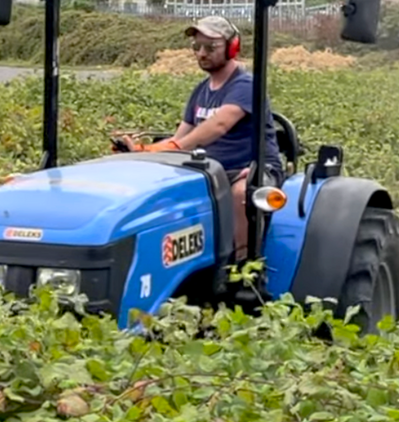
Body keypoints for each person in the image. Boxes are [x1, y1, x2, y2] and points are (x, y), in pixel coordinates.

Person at [116, 14, 283, 260]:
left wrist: (177, 145)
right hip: (210, 171)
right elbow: (182, 136)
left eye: (210, 47)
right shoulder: (200, 91)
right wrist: (144, 152)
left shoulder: (246, 85)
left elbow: (219, 124)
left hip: (251, 169)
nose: (202, 53)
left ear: (232, 47)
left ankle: (242, 266)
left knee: (239, 194)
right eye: (197, 47)